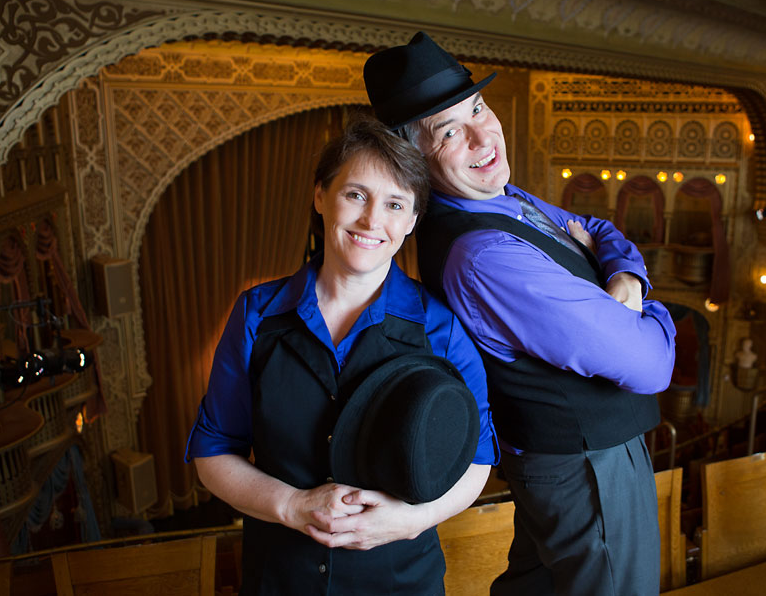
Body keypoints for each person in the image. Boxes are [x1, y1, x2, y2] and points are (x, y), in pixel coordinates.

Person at [364, 32, 676, 596]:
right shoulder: (486, 255)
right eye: (451, 130)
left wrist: (625, 278)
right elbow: (651, 363)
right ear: (415, 156)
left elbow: (600, 228)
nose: (484, 135)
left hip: (573, 461)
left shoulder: (503, 198)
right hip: (588, 468)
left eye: (479, 108)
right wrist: (653, 310)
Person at [185, 118, 498, 595]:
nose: (373, 221)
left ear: (412, 221)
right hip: (279, 581)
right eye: (356, 195)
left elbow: (478, 459)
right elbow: (213, 451)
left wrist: (410, 521)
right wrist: (292, 505)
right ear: (320, 198)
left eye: (395, 204)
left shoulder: (442, 329)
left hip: (401, 583)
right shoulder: (255, 315)